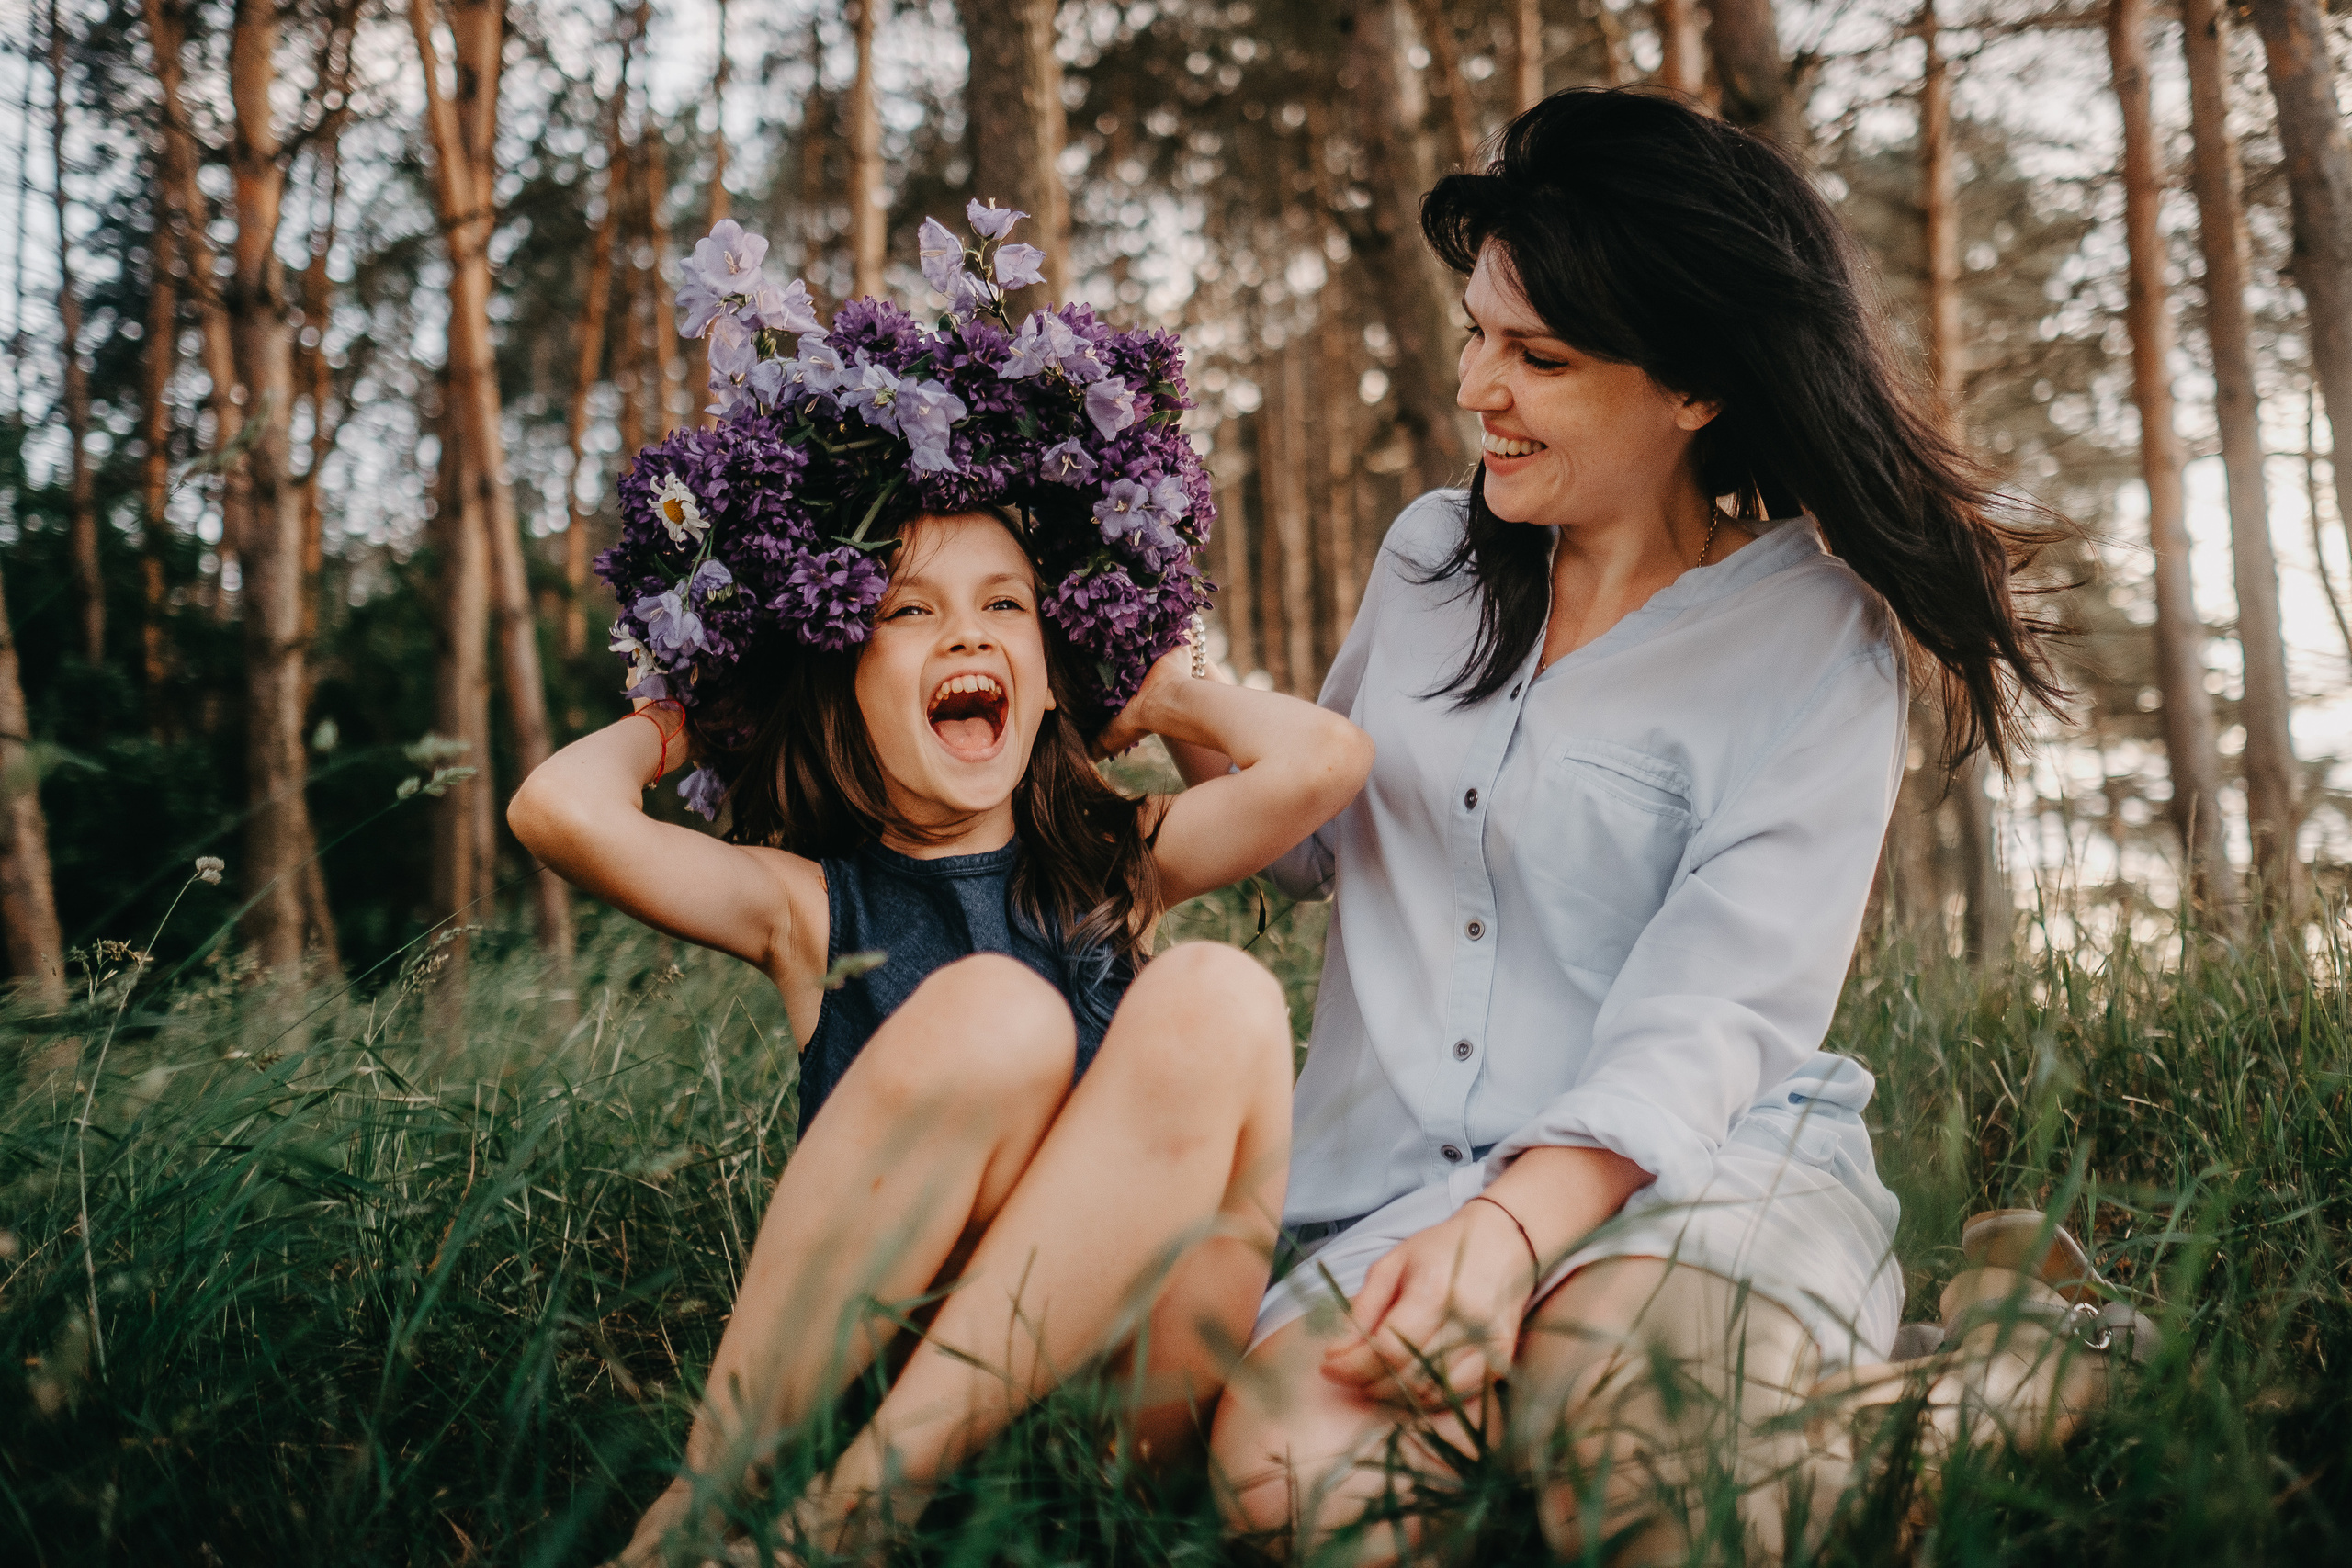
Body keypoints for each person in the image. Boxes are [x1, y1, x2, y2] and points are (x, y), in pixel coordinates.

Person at [1203, 88, 2070, 1563]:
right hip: (1398, 1193)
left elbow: (1717, 1010)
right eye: (1477, 333)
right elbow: (1313, 833)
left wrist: (1516, 1236)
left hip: (1693, 1169)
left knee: (1643, 1463)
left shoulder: (1816, 639)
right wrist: (1162, 695)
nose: (1479, 387)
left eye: (1539, 359)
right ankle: (1878, 1383)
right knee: (1296, 1493)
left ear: (1695, 388)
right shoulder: (1432, 559)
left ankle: (2016, 1371)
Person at [509, 211, 1372, 1563]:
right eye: (909, 612)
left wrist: (1143, 679)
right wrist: (686, 712)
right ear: (839, 675)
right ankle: (712, 1506)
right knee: (998, 1017)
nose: (966, 630)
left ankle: (850, 1526)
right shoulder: (806, 908)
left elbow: (1324, 760)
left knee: (1218, 994)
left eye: (1010, 606)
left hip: (1112, 1416)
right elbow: (557, 810)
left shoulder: (1118, 867)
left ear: (1044, 667)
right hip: (880, 1377)